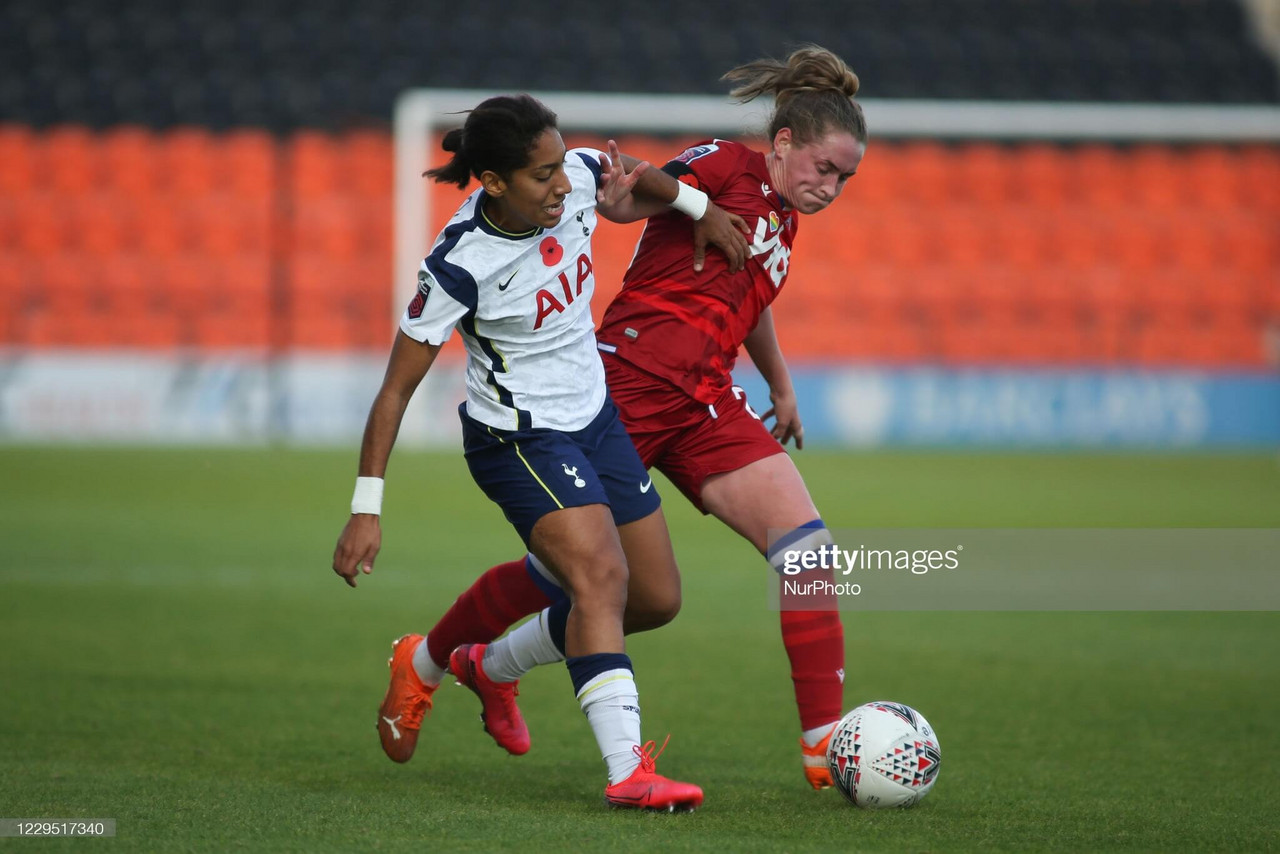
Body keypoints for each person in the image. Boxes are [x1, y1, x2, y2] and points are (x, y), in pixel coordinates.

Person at [403, 45, 866, 790]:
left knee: (807, 555)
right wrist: (661, 200)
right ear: (784, 145)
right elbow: (626, 200)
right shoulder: (721, 165)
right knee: (581, 581)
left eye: (845, 179)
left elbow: (747, 300)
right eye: (825, 169)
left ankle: (827, 746)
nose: (832, 187)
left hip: (706, 400)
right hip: (622, 385)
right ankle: (444, 661)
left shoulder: (785, 218)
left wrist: (778, 383)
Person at [330, 93, 751, 811]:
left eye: (562, 166)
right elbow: (395, 391)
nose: (564, 183)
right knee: (599, 578)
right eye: (542, 175)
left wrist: (694, 206)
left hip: (595, 418)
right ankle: (628, 772)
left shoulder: (577, 178)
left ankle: (464, 663)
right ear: (494, 183)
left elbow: (625, 170)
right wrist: (365, 508)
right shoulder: (461, 263)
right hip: (516, 439)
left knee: (654, 598)